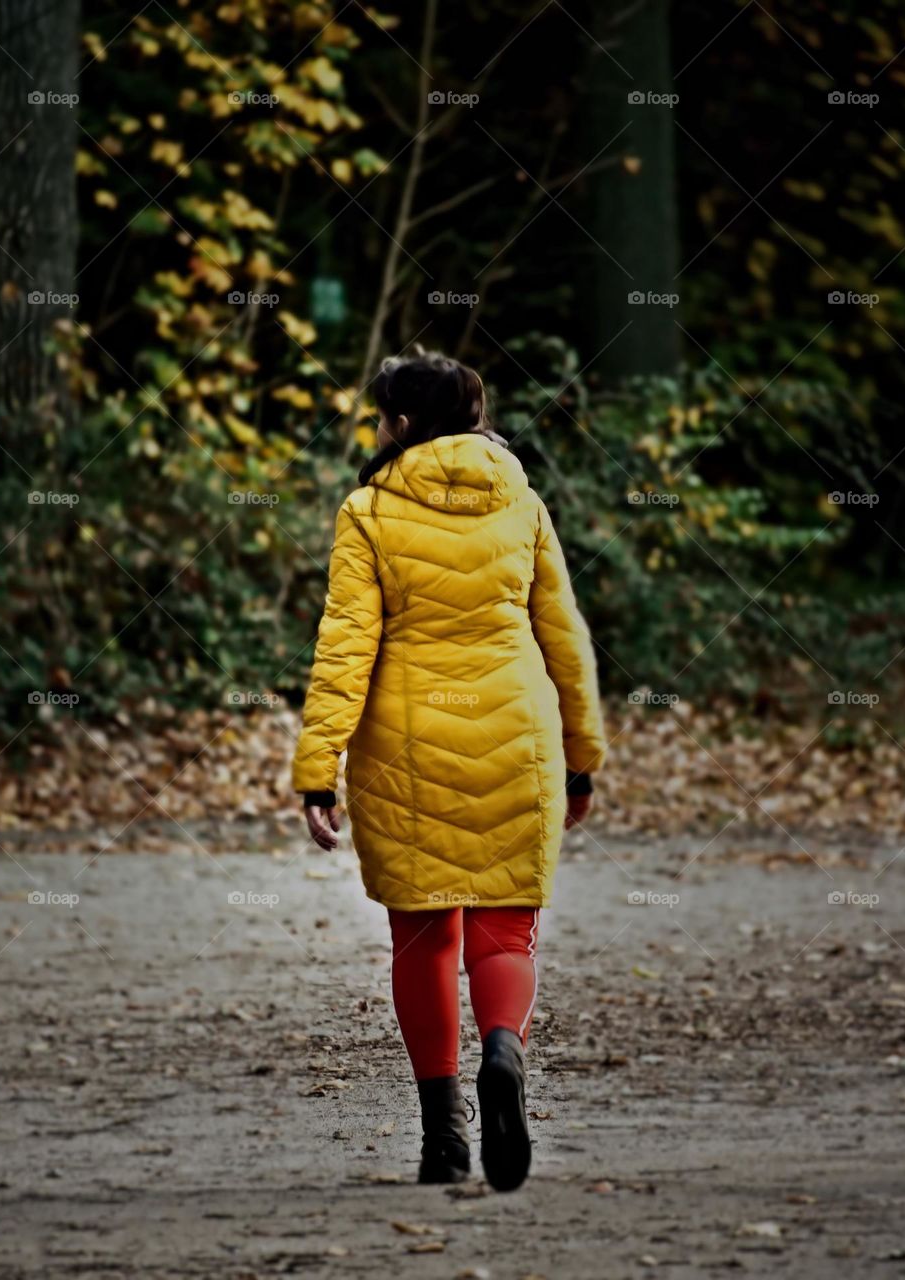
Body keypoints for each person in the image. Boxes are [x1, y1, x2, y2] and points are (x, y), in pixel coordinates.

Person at [292, 351, 607, 1191]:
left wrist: (317, 768)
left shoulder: (367, 511)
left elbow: (345, 647)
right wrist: (582, 756)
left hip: (409, 741)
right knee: (504, 929)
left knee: (426, 931)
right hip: (517, 729)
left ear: (400, 424)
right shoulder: (523, 502)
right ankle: (503, 1050)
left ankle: (445, 1137)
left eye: (381, 415)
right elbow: (565, 638)